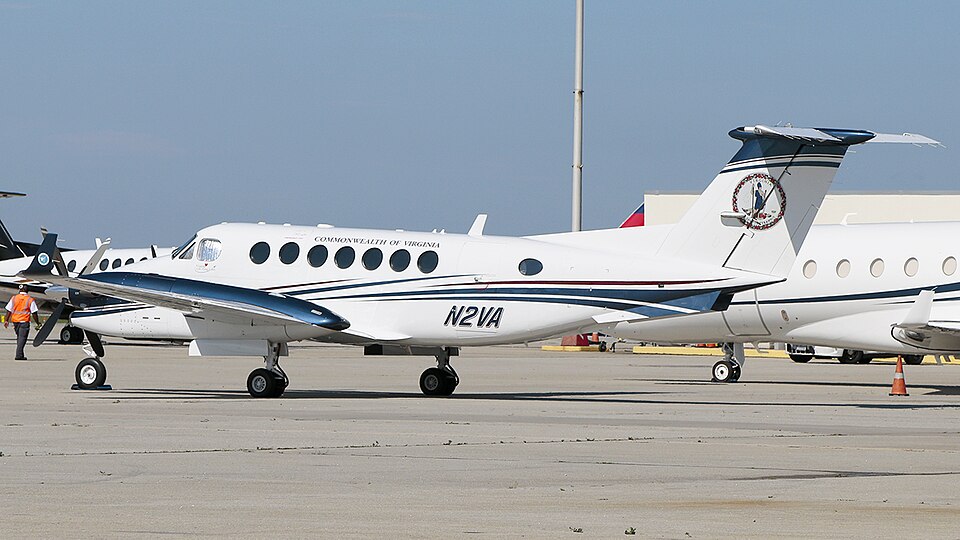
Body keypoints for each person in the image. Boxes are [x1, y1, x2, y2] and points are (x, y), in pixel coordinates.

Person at [5, 284, 41, 360]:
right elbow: (34, 313)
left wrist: (6, 320)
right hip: (24, 321)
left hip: (15, 321)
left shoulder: (14, 298)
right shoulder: (30, 299)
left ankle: (21, 354)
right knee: (22, 338)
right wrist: (38, 322)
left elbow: (9, 310)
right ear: (27, 290)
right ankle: (18, 355)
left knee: (19, 338)